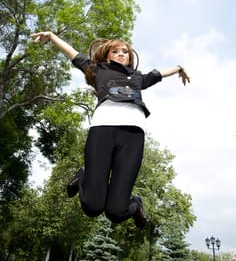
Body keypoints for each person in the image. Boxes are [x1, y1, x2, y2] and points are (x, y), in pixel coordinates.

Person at [31, 31, 190, 229]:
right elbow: (73, 53)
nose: (122, 53)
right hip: (103, 130)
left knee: (116, 212)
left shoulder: (138, 78)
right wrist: (52, 37)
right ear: (107, 55)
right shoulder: (97, 70)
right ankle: (83, 176)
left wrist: (180, 68)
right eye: (116, 51)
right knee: (92, 206)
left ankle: (136, 204)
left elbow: (158, 74)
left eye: (125, 51)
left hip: (133, 135)